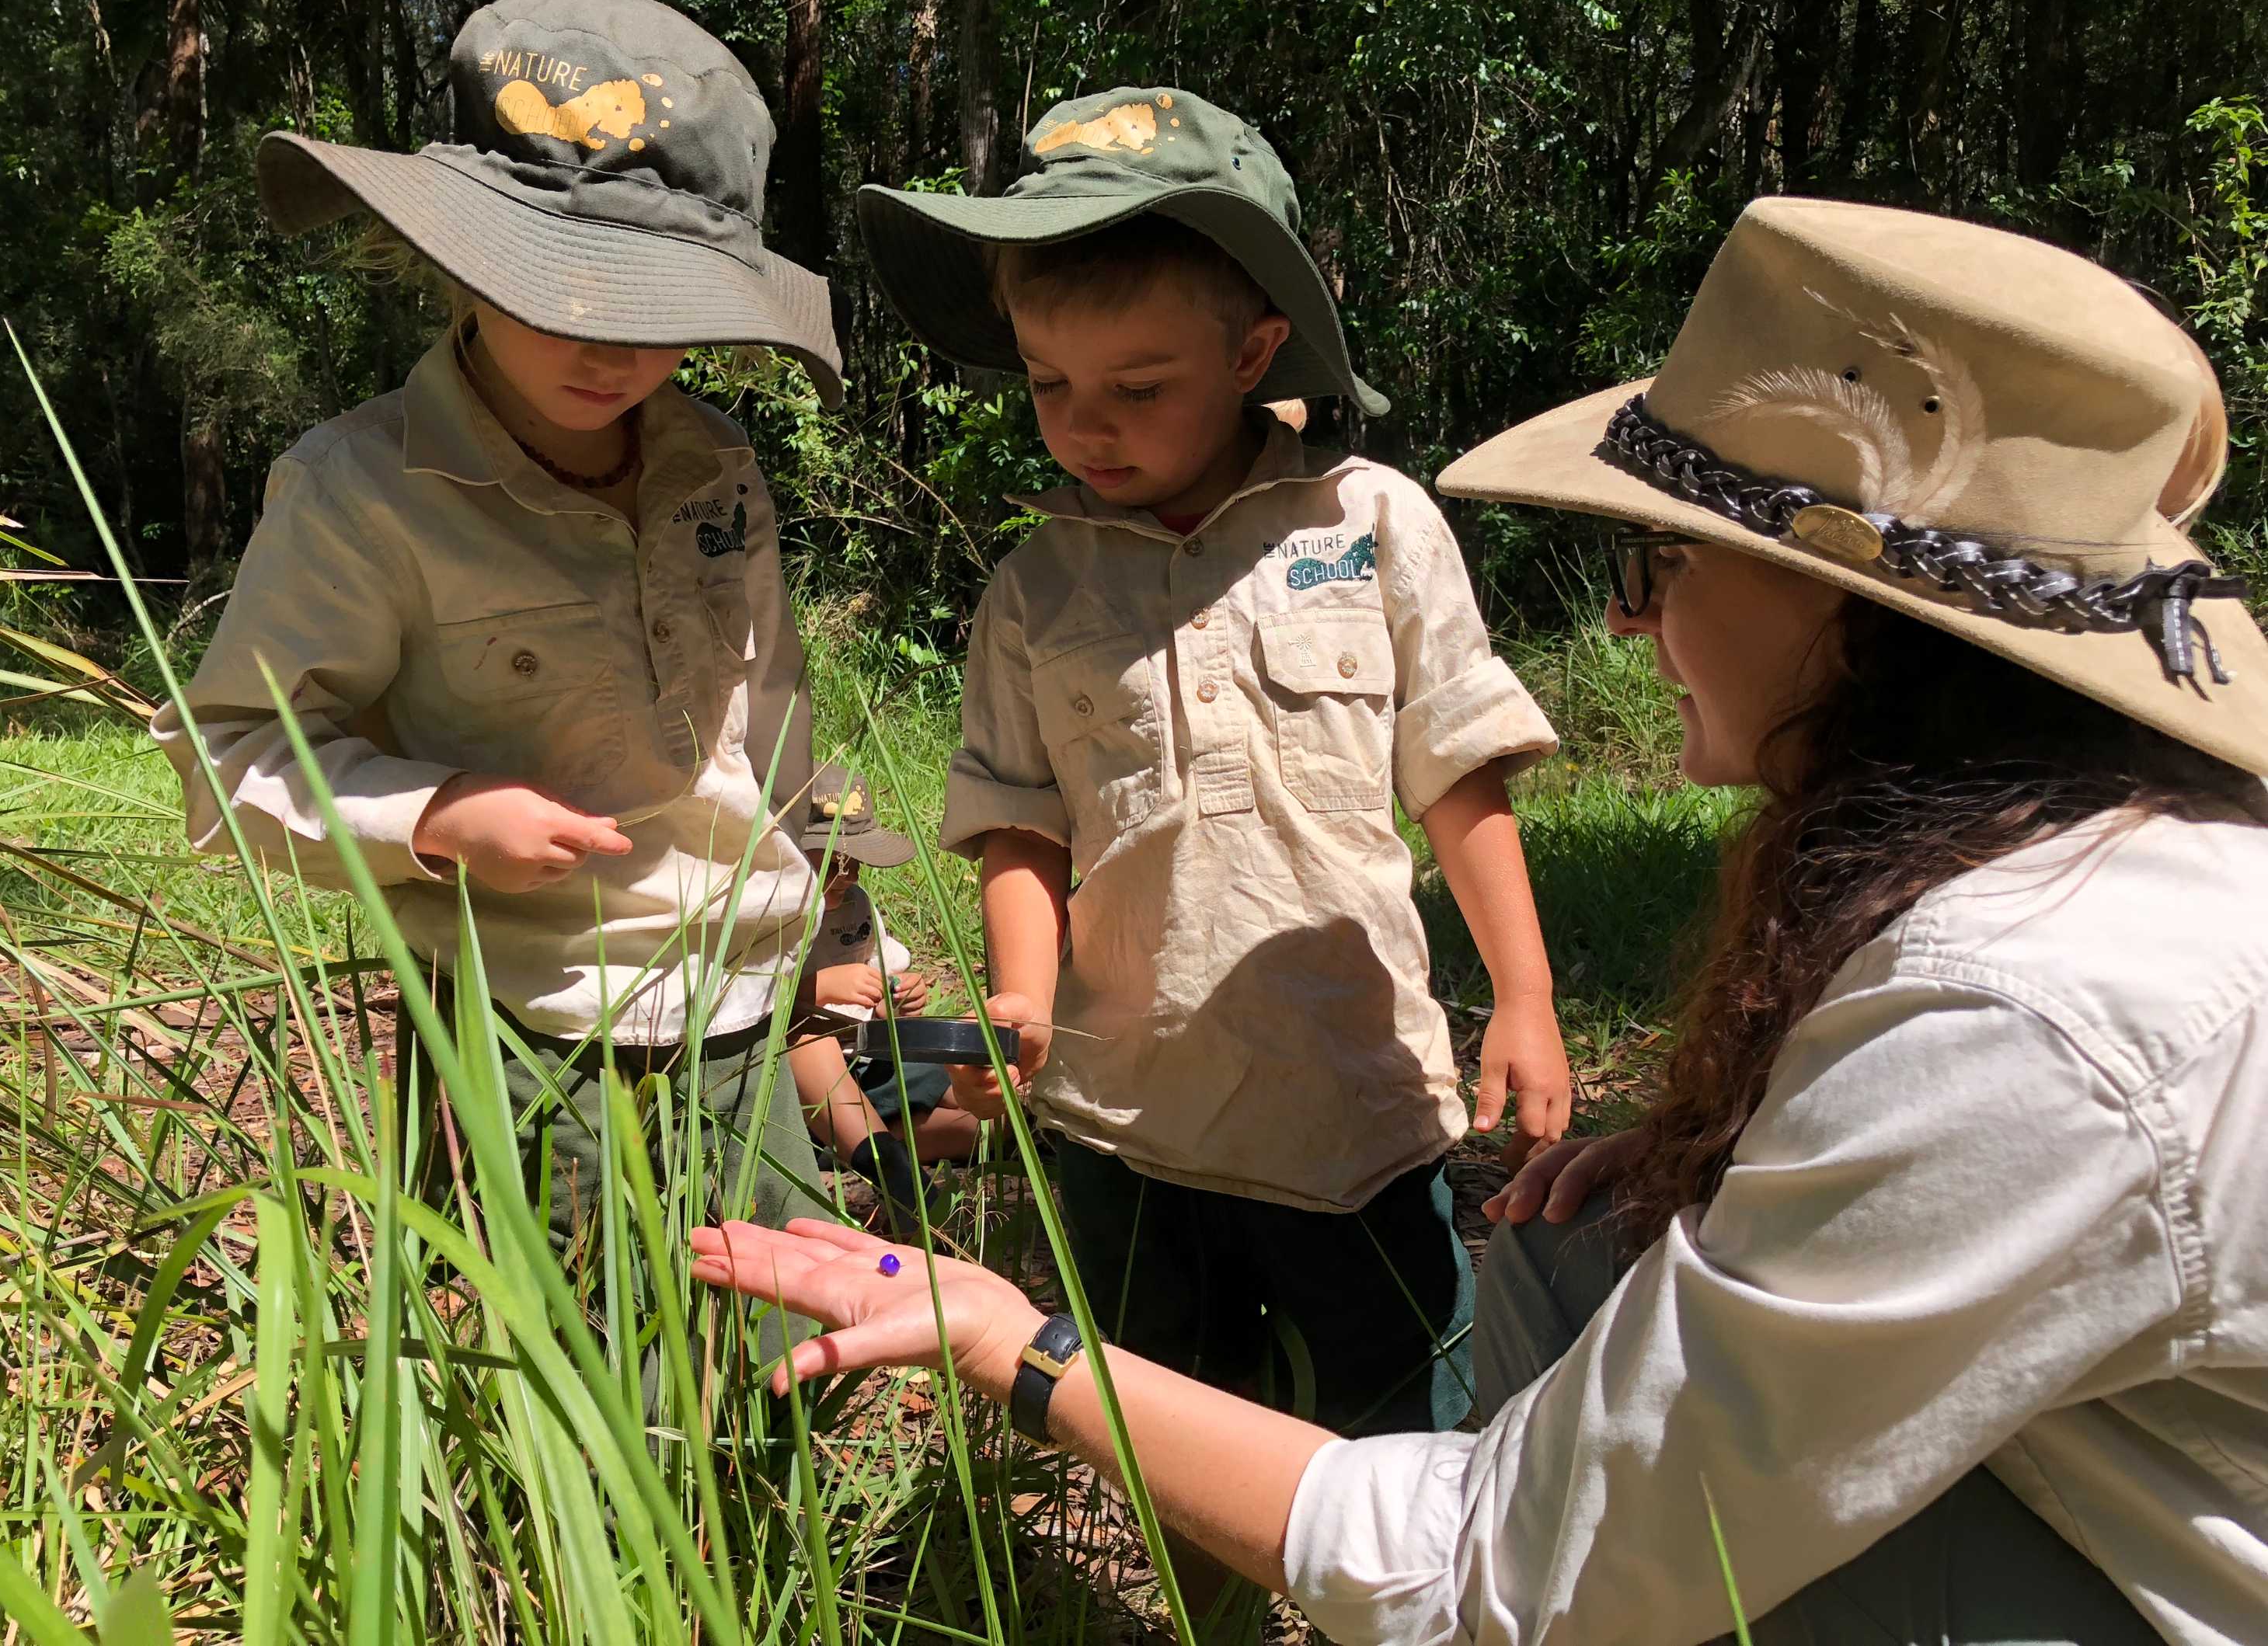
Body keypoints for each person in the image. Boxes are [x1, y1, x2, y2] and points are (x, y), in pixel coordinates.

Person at [692, 197, 2268, 1644]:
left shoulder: (2023, 1012)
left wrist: (1005, 1341)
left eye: (1662, 559)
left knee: (1418, 1375)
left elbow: (1503, 1566)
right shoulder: (2083, 871)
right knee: (1574, 1244)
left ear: (1861, 625)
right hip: (1141, 1106)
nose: (1630, 619)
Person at [856, 85, 1570, 1450]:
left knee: (1400, 1429)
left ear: (1253, 353)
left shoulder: (1369, 525)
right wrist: (1020, 995)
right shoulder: (1036, 586)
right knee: (1158, 1426)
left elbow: (1460, 774)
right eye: (1051, 385)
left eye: (1139, 388)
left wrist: (1525, 999)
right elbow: (1024, 825)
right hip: (1131, 1120)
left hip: (1353, 1115)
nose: (1084, 425)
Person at [153, 0, 845, 1259]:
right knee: (586, 1388)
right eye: (560, 285)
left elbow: (771, 722)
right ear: (454, 261)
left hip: (739, 1002)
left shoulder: (716, 467)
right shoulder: (363, 490)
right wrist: (432, 816)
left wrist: (831, 948)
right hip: (527, 1017)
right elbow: (231, 757)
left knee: (777, 1376)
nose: (607, 343)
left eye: (656, 305)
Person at [785, 762, 977, 1226]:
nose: (845, 873)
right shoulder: (775, 910)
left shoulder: (856, 906)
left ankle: (857, 1142)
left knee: (971, 1122)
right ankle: (890, 1171)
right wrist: (819, 988)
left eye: (854, 861)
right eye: (828, 860)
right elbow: (751, 999)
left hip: (868, 1058)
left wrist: (901, 994)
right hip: (802, 1075)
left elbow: (880, 972)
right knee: (806, 1037)